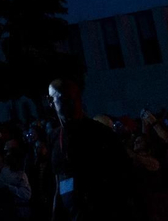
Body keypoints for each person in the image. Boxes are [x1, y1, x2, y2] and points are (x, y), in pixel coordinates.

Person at [46, 78, 137, 220]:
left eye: (76, 99)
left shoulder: (102, 134)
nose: (73, 105)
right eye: (65, 100)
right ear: (50, 101)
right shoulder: (55, 138)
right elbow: (59, 181)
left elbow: (124, 180)